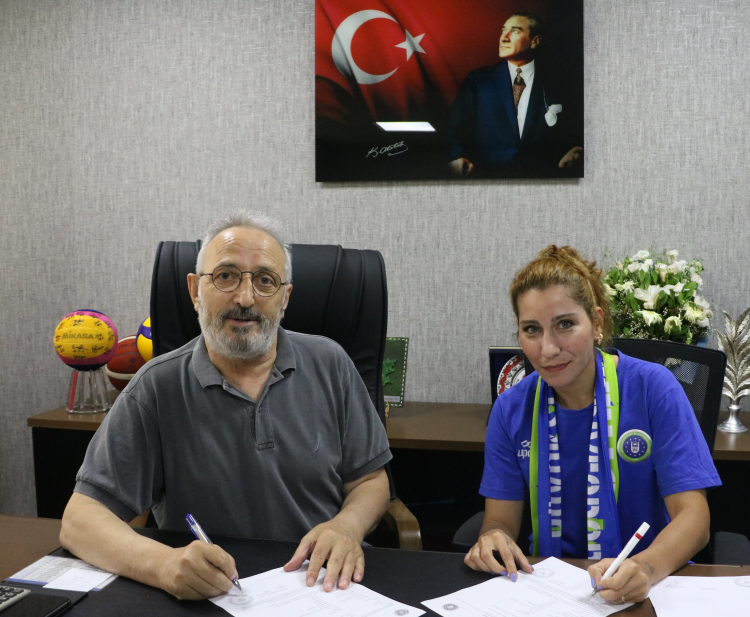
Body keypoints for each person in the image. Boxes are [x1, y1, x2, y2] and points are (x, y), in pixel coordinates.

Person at [60, 212, 392, 600]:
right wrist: (164, 564)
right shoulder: (157, 386)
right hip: (215, 592)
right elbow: (79, 520)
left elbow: (370, 481)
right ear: (195, 290)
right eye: (226, 276)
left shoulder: (331, 363)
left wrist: (347, 527)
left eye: (265, 280)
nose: (245, 298)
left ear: (284, 298)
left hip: (325, 587)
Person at [465, 246, 720, 605]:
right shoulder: (511, 408)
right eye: (532, 329)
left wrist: (645, 567)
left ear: (597, 323)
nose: (547, 349)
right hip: (550, 591)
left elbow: (694, 519)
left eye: (565, 325)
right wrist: (492, 538)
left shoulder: (653, 388)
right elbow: (500, 522)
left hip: (649, 585)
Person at [446, 13, 583, 177]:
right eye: (503, 30)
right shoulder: (478, 80)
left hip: (544, 178)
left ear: (535, 41)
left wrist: (578, 150)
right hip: (488, 176)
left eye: (515, 31)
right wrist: (457, 157)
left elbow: (579, 128)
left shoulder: (561, 82)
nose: (504, 38)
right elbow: (455, 128)